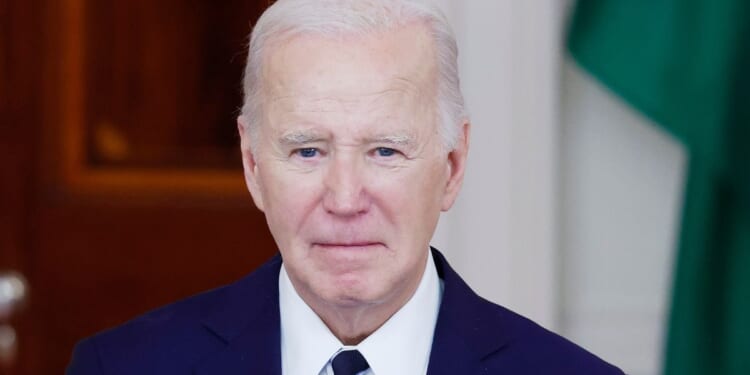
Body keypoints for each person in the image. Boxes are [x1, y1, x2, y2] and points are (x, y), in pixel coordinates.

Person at [67, 1, 624, 374]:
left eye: (385, 151)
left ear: (452, 166)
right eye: (308, 150)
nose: (345, 199)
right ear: (253, 164)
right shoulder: (120, 366)